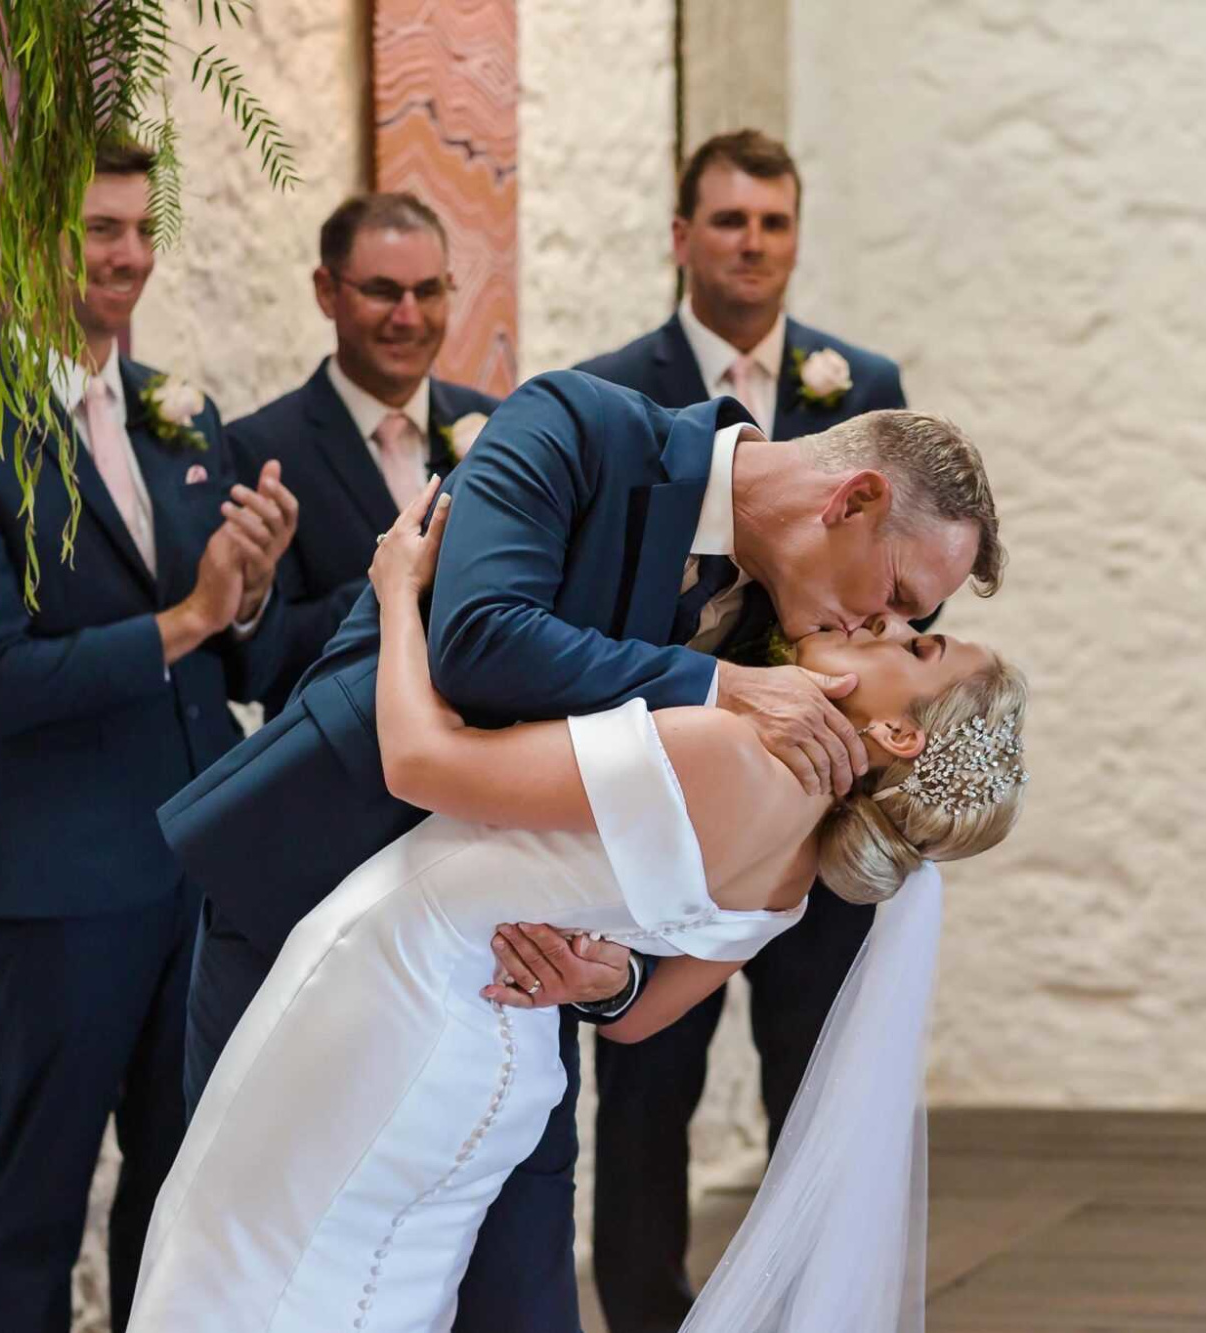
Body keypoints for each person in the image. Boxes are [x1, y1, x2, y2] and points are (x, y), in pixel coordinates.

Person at [157, 367, 1003, 1330]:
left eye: (912, 630)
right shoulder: (578, 426)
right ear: (854, 500)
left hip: (507, 1003)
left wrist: (607, 982)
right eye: (897, 596)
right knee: (260, 1264)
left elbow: (661, 890)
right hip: (315, 893)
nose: (881, 626)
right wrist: (716, 683)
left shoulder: (803, 655)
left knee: (517, 1304)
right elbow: (476, 638)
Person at [0, 139, 297, 1333]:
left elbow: (230, 653)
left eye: (137, 228)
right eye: (95, 230)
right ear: (26, 247)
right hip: (59, 881)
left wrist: (251, 586)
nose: (125, 255)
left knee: (185, 1186)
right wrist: (193, 613)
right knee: (38, 1196)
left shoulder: (183, 417)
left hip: (203, 862)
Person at [575, 127, 915, 1331]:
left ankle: (807, 1306)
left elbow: (899, 592)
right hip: (666, 792)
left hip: (820, 803)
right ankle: (642, 1311)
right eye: (728, 221)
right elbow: (605, 592)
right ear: (681, 238)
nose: (752, 244)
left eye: (772, 222)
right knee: (643, 1081)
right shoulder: (615, 388)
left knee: (816, 1074)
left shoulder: (860, 385)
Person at [227, 192, 501, 716]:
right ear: (327, 292)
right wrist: (407, 579)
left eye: (428, 291)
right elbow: (262, 668)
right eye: (382, 292)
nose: (409, 316)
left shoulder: (495, 426)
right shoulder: (260, 448)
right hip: (342, 772)